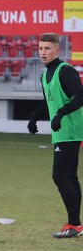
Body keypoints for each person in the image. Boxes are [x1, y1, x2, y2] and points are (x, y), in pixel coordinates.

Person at [27, 33, 83, 238]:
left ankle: (74, 224)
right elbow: (48, 102)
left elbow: (81, 95)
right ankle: (76, 224)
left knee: (59, 175)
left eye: (47, 48)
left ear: (57, 50)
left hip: (70, 130)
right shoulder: (44, 75)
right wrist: (34, 117)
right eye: (40, 48)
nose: (43, 52)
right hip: (62, 132)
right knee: (70, 176)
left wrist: (61, 113)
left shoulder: (65, 71)